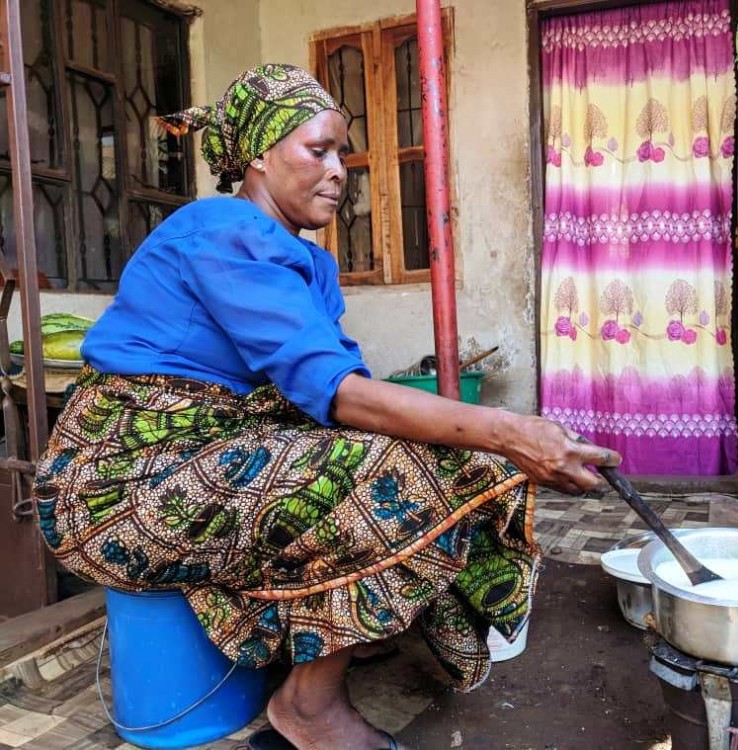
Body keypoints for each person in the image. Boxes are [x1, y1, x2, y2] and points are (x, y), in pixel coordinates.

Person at [32, 64, 620, 750]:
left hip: (210, 463)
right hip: (123, 486)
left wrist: (488, 441)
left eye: (343, 152)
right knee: (397, 474)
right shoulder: (220, 229)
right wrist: (510, 430)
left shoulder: (302, 264)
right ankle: (307, 709)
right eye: (319, 150)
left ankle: (345, 630)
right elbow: (337, 395)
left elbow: (336, 393)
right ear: (258, 153)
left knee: (449, 462)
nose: (341, 171)